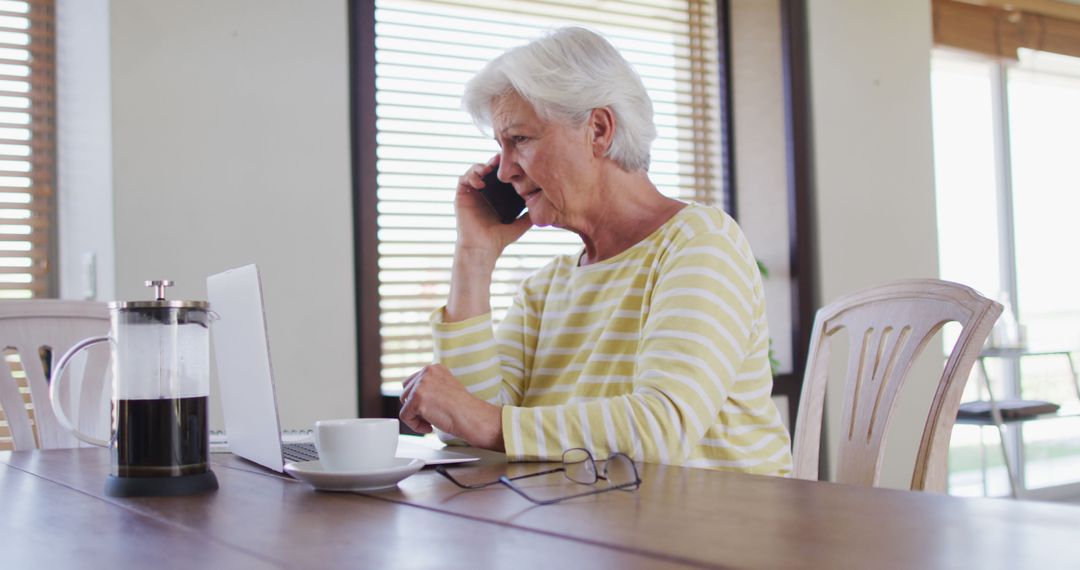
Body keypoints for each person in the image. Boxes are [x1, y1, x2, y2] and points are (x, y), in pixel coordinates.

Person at [398, 27, 792, 476]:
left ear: (599, 130)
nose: (504, 171)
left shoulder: (700, 242)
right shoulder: (546, 290)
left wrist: (483, 421)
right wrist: (474, 255)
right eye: (499, 148)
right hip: (597, 529)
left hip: (722, 533)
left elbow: (660, 428)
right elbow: (467, 427)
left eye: (520, 140)